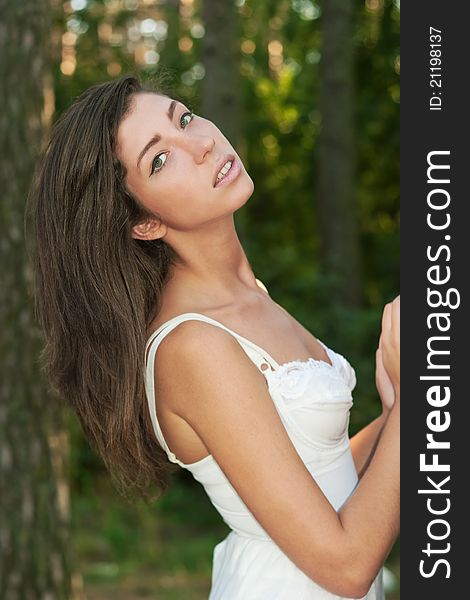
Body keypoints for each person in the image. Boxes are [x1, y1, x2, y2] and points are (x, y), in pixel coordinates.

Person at [28, 74, 400, 599]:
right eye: (160, 159)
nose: (202, 143)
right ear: (143, 224)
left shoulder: (249, 297)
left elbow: (325, 476)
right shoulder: (192, 346)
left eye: (183, 118)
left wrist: (396, 415)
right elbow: (346, 565)